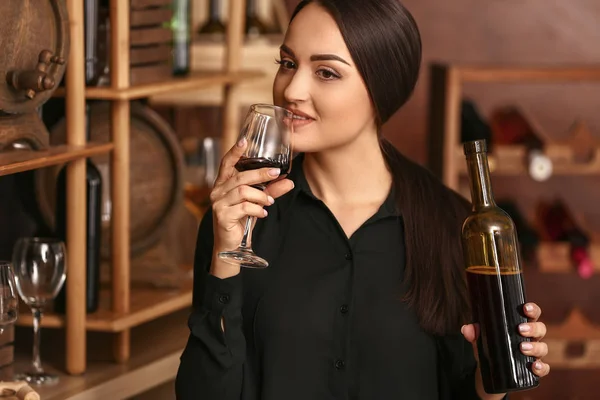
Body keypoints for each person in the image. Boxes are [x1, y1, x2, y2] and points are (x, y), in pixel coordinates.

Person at [175, 0, 550, 399]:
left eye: (326, 72)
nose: (292, 89)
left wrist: (488, 383)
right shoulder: (242, 219)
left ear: (380, 87)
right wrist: (224, 257)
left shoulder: (450, 224)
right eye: (287, 63)